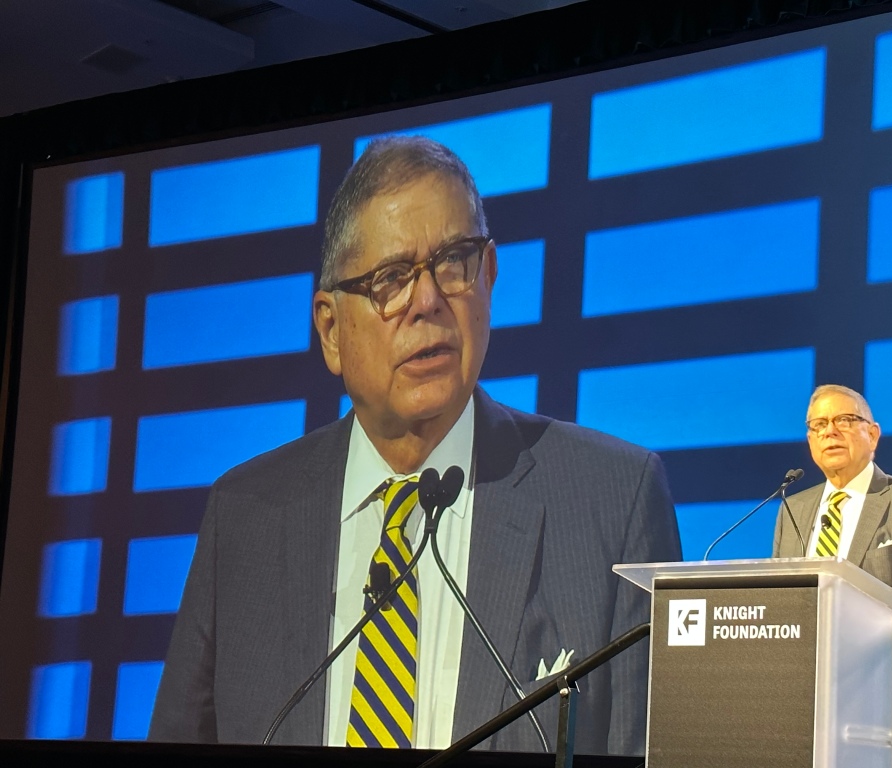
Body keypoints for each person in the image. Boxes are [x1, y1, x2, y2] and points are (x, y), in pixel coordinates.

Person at [149, 135, 682, 754]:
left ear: (489, 275)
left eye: (454, 261)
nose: (427, 302)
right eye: (391, 279)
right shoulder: (244, 519)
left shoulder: (612, 503)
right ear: (330, 329)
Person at [772, 384, 892, 767]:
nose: (830, 431)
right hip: (807, 704)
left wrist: (859, 601)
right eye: (818, 424)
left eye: (844, 420)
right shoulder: (793, 508)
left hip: (887, 702)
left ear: (872, 434)